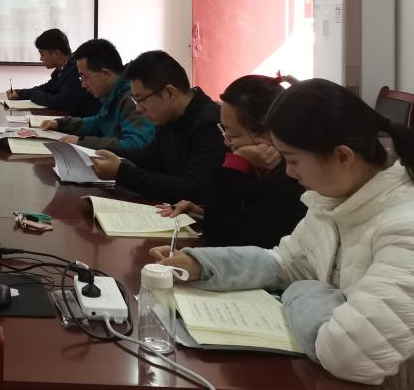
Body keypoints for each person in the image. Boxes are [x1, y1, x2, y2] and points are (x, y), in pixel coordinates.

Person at [152, 79, 414, 387]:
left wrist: (300, 289)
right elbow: (285, 262)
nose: (289, 171)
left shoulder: (404, 227)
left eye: (293, 160)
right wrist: (201, 265)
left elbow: (350, 354)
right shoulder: (334, 199)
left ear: (342, 157)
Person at [157, 74, 307, 248]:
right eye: (224, 130)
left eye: (234, 135)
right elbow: (242, 221)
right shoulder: (256, 167)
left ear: (268, 133)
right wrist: (204, 213)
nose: (226, 142)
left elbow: (220, 239)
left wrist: (236, 162)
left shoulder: (294, 180)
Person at [91, 50, 224, 204]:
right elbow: (150, 158)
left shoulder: (210, 124)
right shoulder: (170, 117)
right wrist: (98, 153)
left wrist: (121, 173)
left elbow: (194, 190)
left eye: (141, 99)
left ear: (169, 93)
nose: (138, 108)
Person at [38, 38, 154, 150]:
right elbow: (99, 122)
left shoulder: (132, 99)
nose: (83, 85)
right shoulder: (112, 93)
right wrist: (60, 124)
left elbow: (137, 145)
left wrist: (81, 142)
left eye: (85, 77)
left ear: (105, 74)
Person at [6, 29, 99, 116]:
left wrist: (36, 95)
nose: (41, 59)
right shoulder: (64, 68)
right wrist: (20, 93)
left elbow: (62, 102)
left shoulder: (76, 69)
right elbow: (47, 87)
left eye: (42, 54)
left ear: (56, 54)